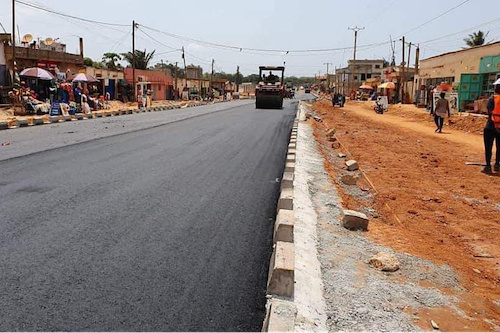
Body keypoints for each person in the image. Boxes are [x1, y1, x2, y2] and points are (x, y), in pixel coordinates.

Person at [482, 82, 500, 174]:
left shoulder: (492, 99)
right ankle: (497, 165)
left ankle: (488, 166)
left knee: (488, 147)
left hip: (490, 126)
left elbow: (489, 112)